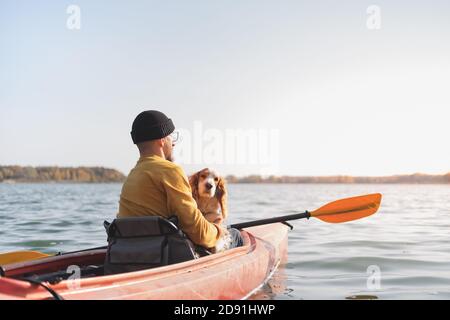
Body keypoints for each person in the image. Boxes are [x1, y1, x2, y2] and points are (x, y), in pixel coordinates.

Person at [118, 110, 243, 251]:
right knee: (236, 235)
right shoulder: (170, 171)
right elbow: (198, 231)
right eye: (172, 137)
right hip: (163, 257)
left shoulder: (132, 176)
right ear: (162, 140)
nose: (174, 144)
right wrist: (219, 230)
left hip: (128, 253)